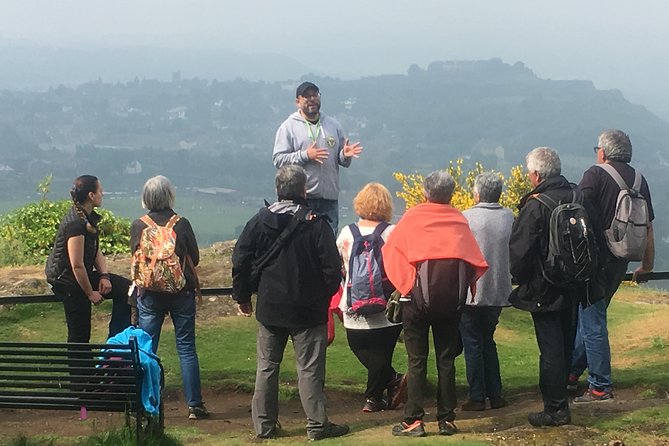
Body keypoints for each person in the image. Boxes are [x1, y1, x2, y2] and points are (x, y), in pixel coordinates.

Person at [232, 165, 349, 441]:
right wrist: (322, 296)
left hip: (271, 307)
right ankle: (317, 425)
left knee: (267, 366)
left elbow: (240, 259)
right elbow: (332, 269)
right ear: (303, 190)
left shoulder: (259, 221)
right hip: (309, 310)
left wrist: (243, 296)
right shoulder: (316, 223)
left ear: (277, 190)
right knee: (309, 369)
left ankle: (264, 426)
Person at [382, 170, 488, 437]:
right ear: (451, 194)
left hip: (415, 302)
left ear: (425, 192)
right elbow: (475, 262)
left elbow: (390, 252)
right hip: (451, 303)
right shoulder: (459, 221)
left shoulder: (413, 218)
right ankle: (447, 419)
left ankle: (413, 421)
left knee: (416, 360)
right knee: (446, 359)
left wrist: (406, 285)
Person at [570, 130, 655, 403]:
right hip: (622, 259)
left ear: (603, 152)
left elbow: (576, 213)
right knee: (591, 316)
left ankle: (600, 387)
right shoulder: (639, 180)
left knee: (593, 322)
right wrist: (647, 264)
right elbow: (648, 226)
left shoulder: (594, 175)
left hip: (596, 261)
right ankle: (571, 371)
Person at [509, 147, 582, 427]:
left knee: (550, 349)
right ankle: (560, 401)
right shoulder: (578, 197)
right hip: (574, 284)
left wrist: (523, 279)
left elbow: (519, 252)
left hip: (545, 288)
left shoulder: (536, 204)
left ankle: (556, 410)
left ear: (536, 174)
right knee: (564, 345)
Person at [130, 175, 209, 420]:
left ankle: (146, 404)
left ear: (146, 198)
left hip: (149, 294)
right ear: (169, 196)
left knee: (147, 348)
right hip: (181, 292)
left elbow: (136, 257)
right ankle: (195, 405)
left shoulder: (138, 225)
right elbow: (193, 258)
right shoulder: (181, 223)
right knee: (186, 348)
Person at [336, 182, 407, 413]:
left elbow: (340, 266)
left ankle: (374, 398)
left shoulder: (346, 233)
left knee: (358, 346)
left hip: (353, 302)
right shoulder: (392, 232)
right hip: (387, 304)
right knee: (381, 352)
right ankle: (391, 382)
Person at [46, 175, 131, 343]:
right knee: (80, 335)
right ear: (91, 195)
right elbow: (76, 264)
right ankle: (81, 369)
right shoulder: (76, 224)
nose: (102, 194)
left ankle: (115, 344)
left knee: (127, 290)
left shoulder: (86, 217)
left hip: (79, 276)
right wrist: (90, 293)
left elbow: (95, 249)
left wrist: (104, 276)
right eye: (100, 190)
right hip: (68, 281)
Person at [272, 81, 363, 233]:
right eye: (307, 96)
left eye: (315, 95)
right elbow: (278, 159)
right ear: (297, 102)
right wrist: (305, 155)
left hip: (329, 199)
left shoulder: (332, 125)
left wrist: (344, 155)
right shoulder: (288, 127)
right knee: (301, 242)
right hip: (302, 198)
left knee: (328, 243)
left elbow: (341, 160)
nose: (312, 99)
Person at [460, 172, 514, 411]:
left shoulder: (466, 218)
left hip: (472, 291)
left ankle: (477, 396)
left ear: (477, 193)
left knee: (472, 342)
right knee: (488, 340)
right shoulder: (510, 217)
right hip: (499, 290)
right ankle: (496, 394)